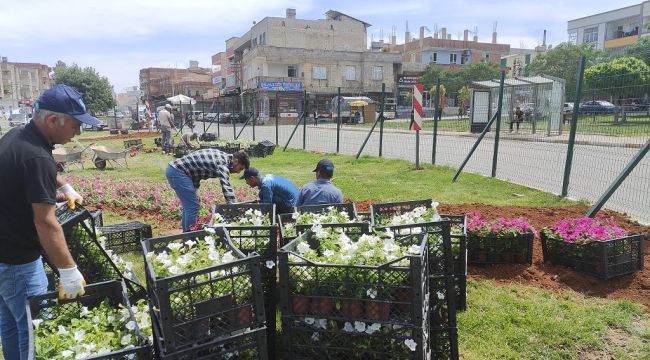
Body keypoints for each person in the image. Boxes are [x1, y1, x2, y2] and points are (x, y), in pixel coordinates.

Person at [0, 84, 92, 360]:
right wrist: (69, 270)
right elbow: (46, 222)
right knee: (36, 329)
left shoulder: (18, 136)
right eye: (75, 125)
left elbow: (31, 172)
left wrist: (64, 186)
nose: (78, 133)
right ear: (53, 121)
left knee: (12, 324)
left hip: (3, 253)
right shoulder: (36, 157)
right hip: (19, 261)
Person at [166, 149, 249, 232]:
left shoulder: (224, 156)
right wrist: (234, 208)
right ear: (236, 161)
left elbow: (196, 170)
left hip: (177, 170)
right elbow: (226, 187)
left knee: (189, 205)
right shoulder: (223, 164)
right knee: (192, 206)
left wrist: (195, 190)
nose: (238, 172)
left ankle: (186, 236)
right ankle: (189, 238)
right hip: (178, 171)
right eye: (240, 168)